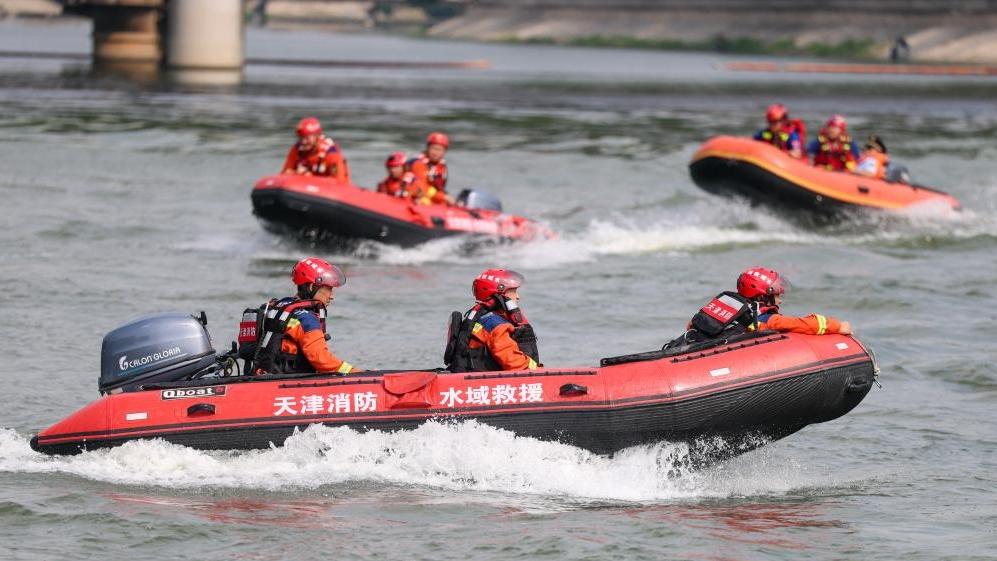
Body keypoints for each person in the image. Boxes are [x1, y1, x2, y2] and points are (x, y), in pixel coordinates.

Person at [669, 267, 852, 347]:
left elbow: (690, 325)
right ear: (763, 296)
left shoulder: (725, 304)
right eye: (776, 296)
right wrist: (838, 326)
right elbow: (805, 324)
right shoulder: (765, 319)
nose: (779, 301)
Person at [249, 257, 359, 375]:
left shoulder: (280, 306)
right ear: (312, 287)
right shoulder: (307, 319)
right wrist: (357, 373)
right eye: (329, 289)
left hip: (262, 374)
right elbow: (323, 362)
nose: (331, 296)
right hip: (286, 380)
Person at [443, 269, 540, 372]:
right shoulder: (495, 325)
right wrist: (537, 368)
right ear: (500, 293)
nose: (518, 297)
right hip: (481, 378)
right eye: (513, 292)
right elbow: (514, 363)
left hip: (468, 374)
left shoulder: (479, 317)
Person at [281, 117, 350, 182]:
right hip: (301, 186)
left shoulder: (331, 151)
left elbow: (338, 181)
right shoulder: (297, 149)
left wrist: (310, 178)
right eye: (301, 138)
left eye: (307, 138)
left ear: (317, 136)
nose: (303, 142)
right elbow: (285, 174)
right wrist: (300, 175)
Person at [401, 131, 452, 205]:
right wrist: (443, 197)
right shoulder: (419, 164)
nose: (435, 153)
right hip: (414, 197)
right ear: (428, 148)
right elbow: (422, 188)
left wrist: (445, 197)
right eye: (433, 149)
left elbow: (439, 187)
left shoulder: (441, 166)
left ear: (444, 151)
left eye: (439, 150)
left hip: (431, 197)